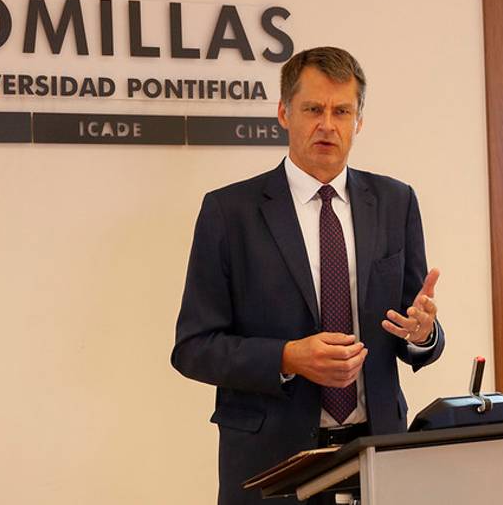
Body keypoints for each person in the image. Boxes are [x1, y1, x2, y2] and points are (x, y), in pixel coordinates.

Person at [171, 46, 444, 504]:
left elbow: (412, 331)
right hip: (270, 463)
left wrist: (422, 333)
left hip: (377, 454)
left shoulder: (397, 202)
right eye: (313, 109)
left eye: (342, 111)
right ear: (283, 112)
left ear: (358, 122)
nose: (327, 124)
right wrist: (288, 357)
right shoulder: (228, 212)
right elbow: (193, 348)